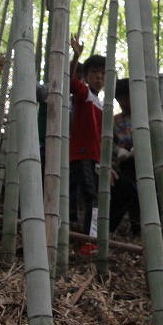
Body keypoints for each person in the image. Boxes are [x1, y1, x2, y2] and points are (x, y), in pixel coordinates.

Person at [69, 36, 105, 252]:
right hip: (83, 154)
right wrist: (76, 57)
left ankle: (87, 239)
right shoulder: (85, 93)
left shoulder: (102, 103)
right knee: (92, 196)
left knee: (90, 196)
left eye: (102, 75)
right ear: (87, 75)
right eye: (94, 73)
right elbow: (70, 80)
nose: (98, 78)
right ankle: (90, 243)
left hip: (96, 156)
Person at [109, 78, 139, 236]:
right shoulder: (115, 120)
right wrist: (118, 150)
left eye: (126, 98)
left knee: (143, 196)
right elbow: (109, 143)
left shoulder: (145, 116)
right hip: (125, 163)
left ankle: (139, 230)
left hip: (145, 162)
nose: (123, 102)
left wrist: (141, 147)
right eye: (119, 99)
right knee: (128, 191)